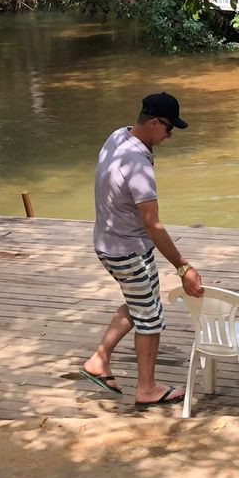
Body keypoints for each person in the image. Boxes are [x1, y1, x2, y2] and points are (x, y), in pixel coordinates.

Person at [81, 91, 203, 407]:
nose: (170, 135)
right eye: (168, 128)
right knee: (150, 317)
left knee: (139, 303)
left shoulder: (118, 137)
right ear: (152, 123)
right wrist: (183, 266)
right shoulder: (138, 165)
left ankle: (100, 358)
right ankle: (146, 389)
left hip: (107, 242)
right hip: (127, 249)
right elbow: (153, 224)